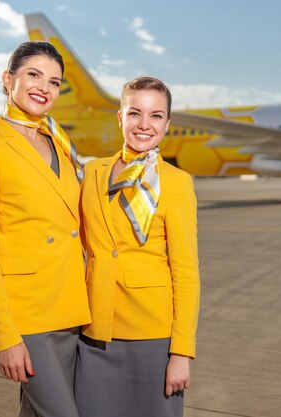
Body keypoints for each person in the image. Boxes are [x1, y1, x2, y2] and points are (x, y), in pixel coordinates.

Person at [0, 41, 91, 417]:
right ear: (8, 79)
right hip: (27, 315)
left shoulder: (61, 145)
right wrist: (4, 335)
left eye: (54, 82)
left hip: (71, 308)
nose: (44, 88)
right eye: (34, 75)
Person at [75, 77, 201, 417]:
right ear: (120, 118)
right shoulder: (93, 172)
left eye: (156, 116)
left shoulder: (176, 183)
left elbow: (186, 273)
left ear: (167, 123)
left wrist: (181, 353)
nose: (144, 125)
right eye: (135, 113)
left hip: (153, 336)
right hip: (95, 333)